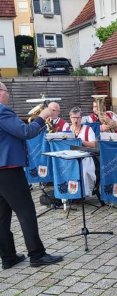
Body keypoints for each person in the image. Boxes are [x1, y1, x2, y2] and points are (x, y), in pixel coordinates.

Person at [0, 81, 63, 269]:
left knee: (1, 217)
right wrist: (43, 116)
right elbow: (26, 132)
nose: (8, 94)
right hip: (8, 170)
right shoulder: (2, 111)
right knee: (26, 211)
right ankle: (37, 254)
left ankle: (8, 256)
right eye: (5, 90)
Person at [69, 107, 97, 197]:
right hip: (71, 157)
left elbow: (93, 145)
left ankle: (85, 193)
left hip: (86, 157)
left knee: (85, 171)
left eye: (77, 118)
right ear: (70, 118)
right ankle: (72, 193)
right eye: (73, 118)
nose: (75, 120)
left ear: (81, 118)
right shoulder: (69, 129)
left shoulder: (88, 129)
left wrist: (82, 141)